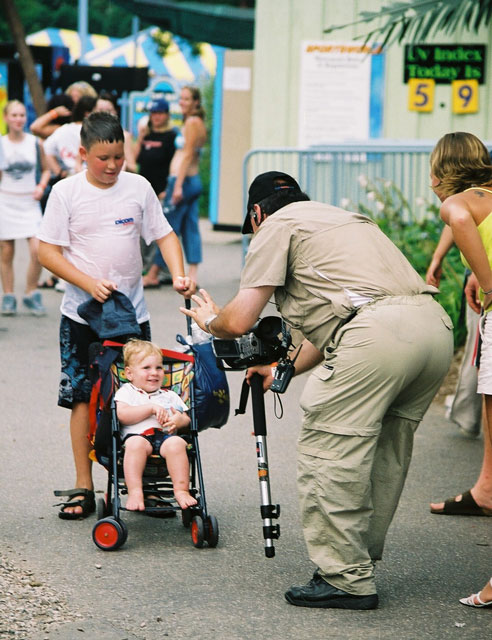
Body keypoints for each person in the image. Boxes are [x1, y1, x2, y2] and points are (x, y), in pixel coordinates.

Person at [182, 170, 453, 609]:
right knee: (384, 449)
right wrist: (281, 370)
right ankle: (356, 561)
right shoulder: (347, 220)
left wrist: (209, 321)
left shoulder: (276, 226)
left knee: (330, 449)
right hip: (432, 329)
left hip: (376, 336)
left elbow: (238, 321)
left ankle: (345, 578)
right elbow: (338, 323)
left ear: (256, 213)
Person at [38, 111, 194, 520]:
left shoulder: (138, 187)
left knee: (143, 394)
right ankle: (84, 486)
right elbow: (46, 252)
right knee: (81, 398)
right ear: (84, 154)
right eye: (103, 158)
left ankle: (143, 483)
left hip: (130, 319)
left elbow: (165, 234)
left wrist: (178, 273)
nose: (111, 167)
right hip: (81, 316)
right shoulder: (65, 192)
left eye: (119, 158)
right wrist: (88, 282)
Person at [428, 132, 492, 518]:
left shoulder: (455, 203)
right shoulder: (487, 194)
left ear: (442, 172)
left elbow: (459, 215)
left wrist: (487, 283)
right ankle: (486, 490)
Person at [115, 338, 197, 511]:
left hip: (164, 437)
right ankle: (136, 491)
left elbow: (186, 419)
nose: (154, 372)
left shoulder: (170, 395)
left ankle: (181, 490)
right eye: (146, 368)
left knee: (177, 443)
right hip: (138, 437)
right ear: (129, 374)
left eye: (158, 367)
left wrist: (178, 420)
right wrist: (150, 408)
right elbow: (122, 415)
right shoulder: (127, 392)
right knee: (135, 444)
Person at [145, 86, 206, 285]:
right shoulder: (194, 122)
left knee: (167, 227)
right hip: (189, 180)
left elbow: (187, 155)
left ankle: (154, 274)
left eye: (187, 99)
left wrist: (177, 185)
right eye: (181, 98)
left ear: (196, 102)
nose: (182, 102)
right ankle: (193, 275)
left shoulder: (192, 122)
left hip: (184, 181)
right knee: (189, 226)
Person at [426, 225, 482, 437]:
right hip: (480, 276)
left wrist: (438, 258)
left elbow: (457, 217)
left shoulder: (472, 194)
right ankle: (466, 413)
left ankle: (467, 415)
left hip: (482, 277)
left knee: (479, 350)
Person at [0, 100, 51, 316]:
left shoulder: (35, 142)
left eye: (22, 115)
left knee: (37, 250)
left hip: (29, 201)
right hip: (6, 200)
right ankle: (8, 295)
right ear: (6, 118)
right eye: (14, 115)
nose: (19, 119)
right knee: (6, 250)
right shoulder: (1, 143)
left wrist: (41, 186)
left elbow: (47, 169)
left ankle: (31, 292)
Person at [135, 97, 177, 281]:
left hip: (160, 189)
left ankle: (156, 268)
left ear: (166, 115)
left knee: (157, 230)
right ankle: (144, 265)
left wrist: (169, 188)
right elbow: (135, 159)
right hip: (144, 188)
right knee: (141, 230)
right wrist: (142, 137)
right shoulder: (148, 135)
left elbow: (173, 164)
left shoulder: (171, 137)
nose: (156, 117)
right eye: (153, 113)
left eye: (159, 113)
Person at [43, 95, 97, 179]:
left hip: (68, 176)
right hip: (88, 175)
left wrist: (59, 172)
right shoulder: (93, 132)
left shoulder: (63, 129)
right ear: (87, 113)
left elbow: (46, 148)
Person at [93, 91, 136, 172]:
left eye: (109, 111)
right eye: (100, 111)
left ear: (115, 112)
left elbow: (133, 167)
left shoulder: (124, 136)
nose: (105, 115)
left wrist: (123, 164)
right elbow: (78, 163)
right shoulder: (88, 134)